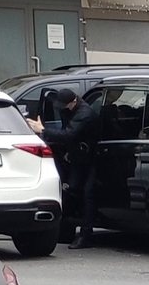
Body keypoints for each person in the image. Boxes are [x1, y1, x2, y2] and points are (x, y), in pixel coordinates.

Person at [28, 89, 105, 248]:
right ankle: (68, 228)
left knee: (88, 194)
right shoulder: (67, 109)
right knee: (72, 189)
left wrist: (42, 130)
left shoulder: (85, 114)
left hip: (92, 158)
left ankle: (86, 234)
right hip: (78, 157)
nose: (61, 108)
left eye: (64, 105)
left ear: (74, 101)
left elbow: (70, 133)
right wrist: (68, 152)